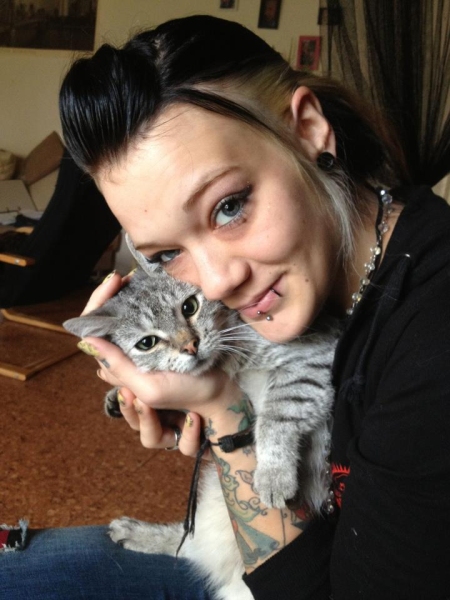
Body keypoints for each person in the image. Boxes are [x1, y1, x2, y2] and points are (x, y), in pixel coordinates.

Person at [2, 14, 450, 600]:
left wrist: (223, 411)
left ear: (309, 129)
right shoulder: (307, 279)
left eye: (230, 206)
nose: (216, 284)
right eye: (167, 253)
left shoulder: (431, 342)